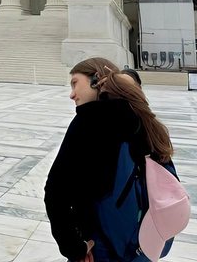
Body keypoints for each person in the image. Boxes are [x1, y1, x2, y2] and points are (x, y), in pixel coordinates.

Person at [45, 57, 175, 262]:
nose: (72, 95)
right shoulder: (141, 119)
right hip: (141, 238)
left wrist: (73, 247)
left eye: (75, 83)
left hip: (99, 244)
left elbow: (55, 193)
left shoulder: (88, 120)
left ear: (97, 79)